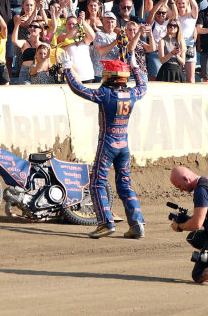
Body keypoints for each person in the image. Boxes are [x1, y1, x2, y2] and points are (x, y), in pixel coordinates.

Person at [61, 56, 147, 239]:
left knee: (97, 183)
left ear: (110, 76)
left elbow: (79, 89)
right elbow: (143, 87)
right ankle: (137, 224)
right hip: (124, 144)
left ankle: (106, 223)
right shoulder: (132, 93)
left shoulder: (105, 94)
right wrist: (136, 68)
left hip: (107, 144)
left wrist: (67, 68)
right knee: (125, 185)